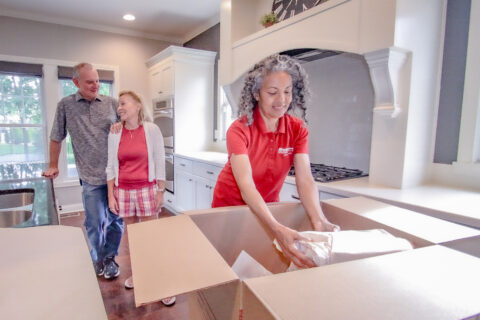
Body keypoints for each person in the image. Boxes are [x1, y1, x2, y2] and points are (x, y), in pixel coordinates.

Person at [212, 54, 339, 269]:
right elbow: (246, 185)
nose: (281, 100)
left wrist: (318, 218)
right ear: (256, 94)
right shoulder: (239, 129)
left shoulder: (297, 129)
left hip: (268, 206)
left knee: (259, 263)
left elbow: (305, 179)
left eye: (287, 91)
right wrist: (276, 228)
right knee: (226, 264)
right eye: (272, 93)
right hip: (231, 206)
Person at [42, 62, 124, 280]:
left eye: (97, 80)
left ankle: (110, 258)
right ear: (76, 82)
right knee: (94, 222)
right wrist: (53, 164)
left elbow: (131, 127)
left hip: (116, 176)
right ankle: (97, 256)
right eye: (89, 82)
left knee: (116, 221)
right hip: (90, 176)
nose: (95, 85)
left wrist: (121, 126)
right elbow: (56, 136)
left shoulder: (112, 103)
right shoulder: (65, 105)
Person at [105, 90, 175, 306]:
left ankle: (161, 282)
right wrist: (111, 196)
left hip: (147, 189)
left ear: (137, 105)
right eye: (118, 105)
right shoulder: (115, 133)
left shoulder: (151, 130)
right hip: (123, 191)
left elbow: (159, 159)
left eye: (123, 103)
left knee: (151, 237)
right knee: (133, 238)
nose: (119, 108)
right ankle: (142, 275)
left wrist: (161, 190)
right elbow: (110, 166)